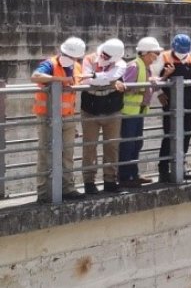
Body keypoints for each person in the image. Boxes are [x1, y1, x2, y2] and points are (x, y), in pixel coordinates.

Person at [32, 37, 88, 203]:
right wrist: (60, 80)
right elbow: (35, 77)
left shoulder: (77, 66)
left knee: (67, 155)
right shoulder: (50, 64)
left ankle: (67, 189)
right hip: (48, 117)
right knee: (46, 154)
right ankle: (44, 193)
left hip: (68, 117)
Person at [79, 38, 128, 194]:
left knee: (112, 146)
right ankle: (89, 183)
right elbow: (84, 80)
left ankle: (110, 181)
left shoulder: (121, 64)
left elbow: (96, 79)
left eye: (107, 57)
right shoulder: (89, 58)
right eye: (103, 54)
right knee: (89, 147)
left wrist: (96, 78)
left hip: (112, 109)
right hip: (89, 109)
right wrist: (110, 82)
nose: (103, 57)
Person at [157, 33, 191, 182]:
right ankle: (164, 170)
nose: (182, 55)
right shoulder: (164, 57)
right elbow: (152, 77)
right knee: (169, 135)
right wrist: (159, 92)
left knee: (186, 135)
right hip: (170, 102)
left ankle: (181, 168)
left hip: (189, 100)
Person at [118, 37, 162, 188]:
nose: (156, 56)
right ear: (146, 53)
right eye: (155, 53)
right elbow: (125, 87)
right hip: (129, 112)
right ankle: (124, 177)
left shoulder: (145, 67)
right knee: (128, 145)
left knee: (137, 144)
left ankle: (133, 174)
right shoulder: (134, 66)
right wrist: (143, 86)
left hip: (138, 112)